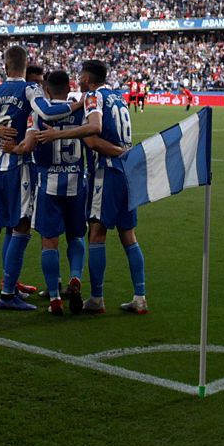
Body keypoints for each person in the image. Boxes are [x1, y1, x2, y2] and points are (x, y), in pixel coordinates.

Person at [0, 46, 72, 309]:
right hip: (20, 164)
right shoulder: (28, 90)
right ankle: (7, 293)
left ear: (6, 66)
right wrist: (81, 103)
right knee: (21, 225)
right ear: (25, 65)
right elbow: (49, 113)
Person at [76, 59, 148, 314]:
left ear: (90, 78)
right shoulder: (118, 97)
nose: (79, 79)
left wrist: (116, 152)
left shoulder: (94, 97)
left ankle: (96, 298)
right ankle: (140, 296)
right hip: (127, 173)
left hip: (106, 173)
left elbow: (94, 140)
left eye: (81, 75)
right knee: (128, 234)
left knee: (96, 232)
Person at [17, 69, 90, 316]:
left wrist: (11, 149)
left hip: (48, 184)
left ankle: (56, 298)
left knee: (49, 241)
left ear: (46, 89)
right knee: (76, 236)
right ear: (69, 88)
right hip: (77, 183)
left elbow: (28, 146)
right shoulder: (80, 111)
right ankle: (76, 278)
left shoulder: (38, 114)